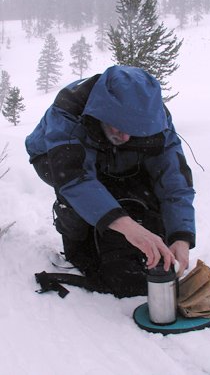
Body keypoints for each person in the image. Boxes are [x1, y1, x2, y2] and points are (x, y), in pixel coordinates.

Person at [25, 65, 196, 297]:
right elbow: (75, 178)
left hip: (112, 155)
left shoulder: (155, 118)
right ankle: (79, 233)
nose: (126, 136)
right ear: (102, 112)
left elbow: (174, 179)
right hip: (54, 158)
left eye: (134, 131)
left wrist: (181, 235)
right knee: (83, 201)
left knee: (143, 198)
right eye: (119, 126)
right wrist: (127, 227)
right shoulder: (69, 109)